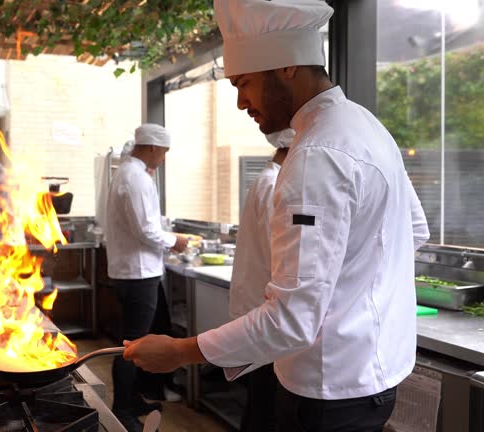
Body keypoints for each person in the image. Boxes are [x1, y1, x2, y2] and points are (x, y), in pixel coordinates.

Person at [122, 1, 430, 431]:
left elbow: (292, 319)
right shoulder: (366, 125)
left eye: (243, 83)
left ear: (287, 66)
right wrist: (356, 298)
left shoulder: (316, 155)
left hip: (326, 388)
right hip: (372, 378)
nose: (240, 102)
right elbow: (414, 231)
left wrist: (178, 351)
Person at [105, 124, 189, 431]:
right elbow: (146, 230)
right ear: (153, 148)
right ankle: (122, 410)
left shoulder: (129, 172)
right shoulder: (136, 177)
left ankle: (134, 398)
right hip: (138, 274)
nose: (164, 159)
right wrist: (175, 240)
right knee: (131, 344)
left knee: (142, 338)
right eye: (164, 153)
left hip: (134, 271)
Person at [230, 129, 293, 432]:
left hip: (258, 304)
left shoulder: (268, 179)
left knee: (260, 401)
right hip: (265, 309)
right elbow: (281, 254)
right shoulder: (274, 184)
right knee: (265, 405)